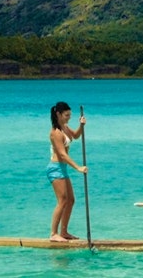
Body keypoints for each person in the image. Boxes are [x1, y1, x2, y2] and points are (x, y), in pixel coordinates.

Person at [47, 101, 86, 241]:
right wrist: (78, 168)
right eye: (66, 115)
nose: (69, 117)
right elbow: (62, 154)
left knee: (71, 200)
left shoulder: (65, 127)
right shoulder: (55, 133)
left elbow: (75, 136)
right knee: (62, 201)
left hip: (62, 168)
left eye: (70, 115)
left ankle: (64, 232)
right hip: (55, 168)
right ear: (58, 114)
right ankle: (53, 234)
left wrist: (81, 126)